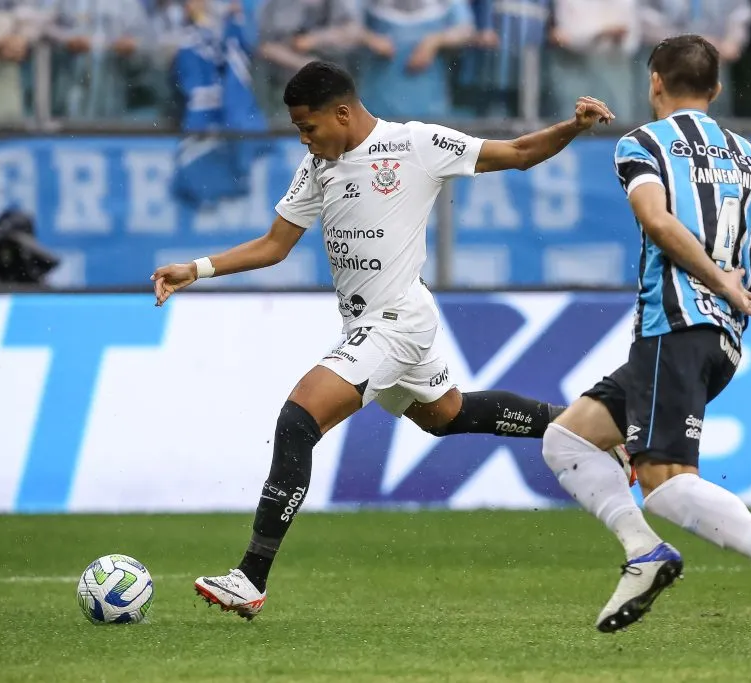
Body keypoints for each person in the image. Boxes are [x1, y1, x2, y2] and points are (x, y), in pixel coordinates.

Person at [150, 59, 616, 620]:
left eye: (309, 127)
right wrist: (194, 269)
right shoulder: (318, 165)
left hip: (397, 320)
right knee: (447, 415)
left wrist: (574, 125)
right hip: (367, 323)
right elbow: (275, 245)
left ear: (342, 113)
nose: (304, 139)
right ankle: (593, 427)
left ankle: (250, 577)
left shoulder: (416, 144)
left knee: (298, 421)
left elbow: (515, 153)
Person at [540, 34, 751, 655]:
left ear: (655, 81)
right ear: (716, 88)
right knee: (568, 439)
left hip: (677, 327)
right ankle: (643, 550)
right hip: (718, 341)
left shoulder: (643, 143)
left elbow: (657, 220)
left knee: (666, 482)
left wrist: (722, 285)